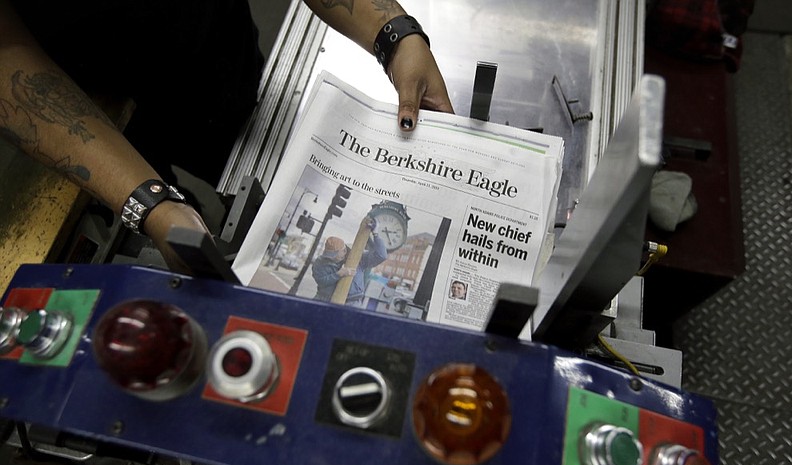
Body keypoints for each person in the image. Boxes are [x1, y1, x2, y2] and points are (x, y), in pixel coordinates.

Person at [0, 0, 453, 274]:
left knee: (229, 114)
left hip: (211, 46)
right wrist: (151, 202)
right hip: (85, 87)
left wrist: (395, 35)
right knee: (163, 191)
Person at [312, 217, 387, 304]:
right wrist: (338, 274)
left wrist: (375, 234)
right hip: (325, 300)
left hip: (352, 303)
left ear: (344, 250)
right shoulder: (320, 262)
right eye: (329, 256)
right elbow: (321, 281)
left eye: (335, 255)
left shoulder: (357, 258)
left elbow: (381, 255)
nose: (331, 258)